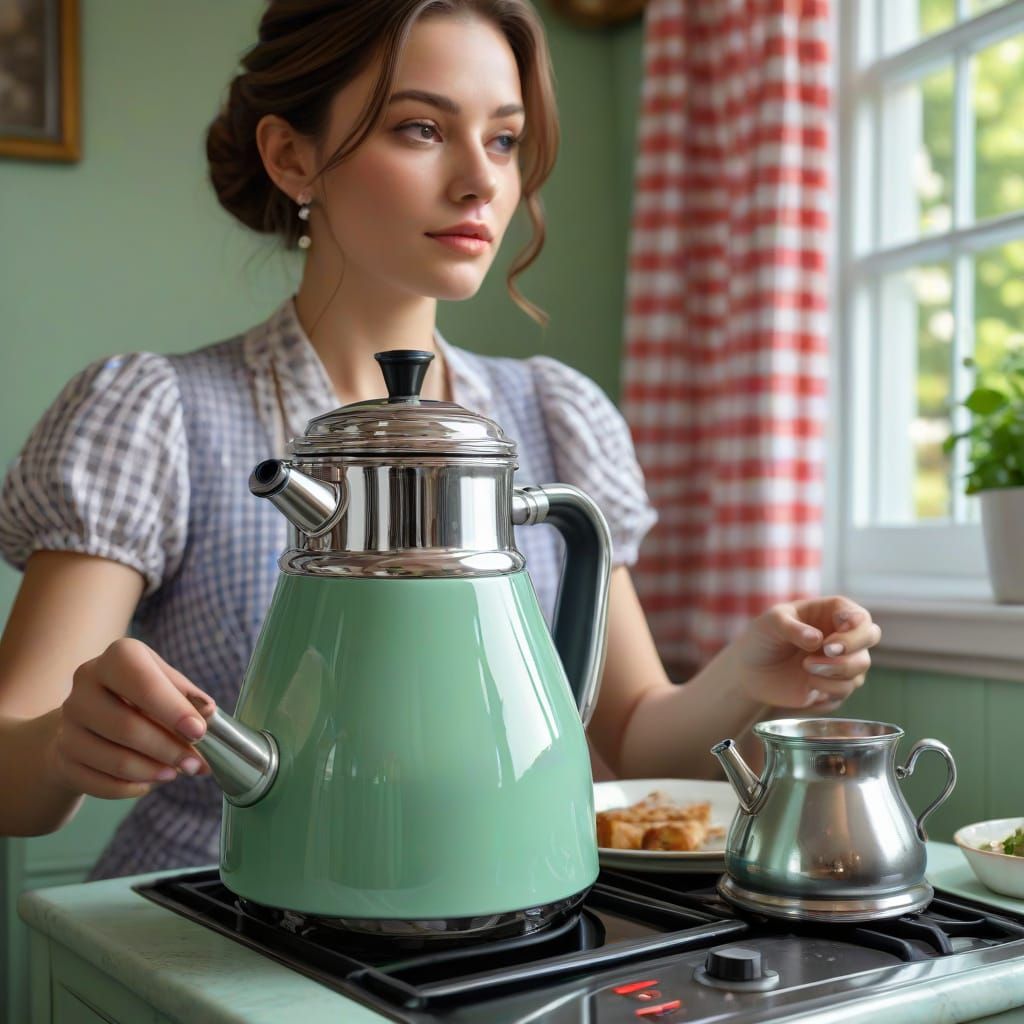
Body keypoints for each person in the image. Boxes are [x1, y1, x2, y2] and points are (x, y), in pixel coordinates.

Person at [0, 0, 879, 880]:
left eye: (503, 140)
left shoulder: (553, 415)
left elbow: (634, 739)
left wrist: (747, 683)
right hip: (208, 932)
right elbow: (14, 778)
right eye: (422, 129)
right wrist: (64, 747)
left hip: (498, 930)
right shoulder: (157, 414)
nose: (481, 182)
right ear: (291, 155)